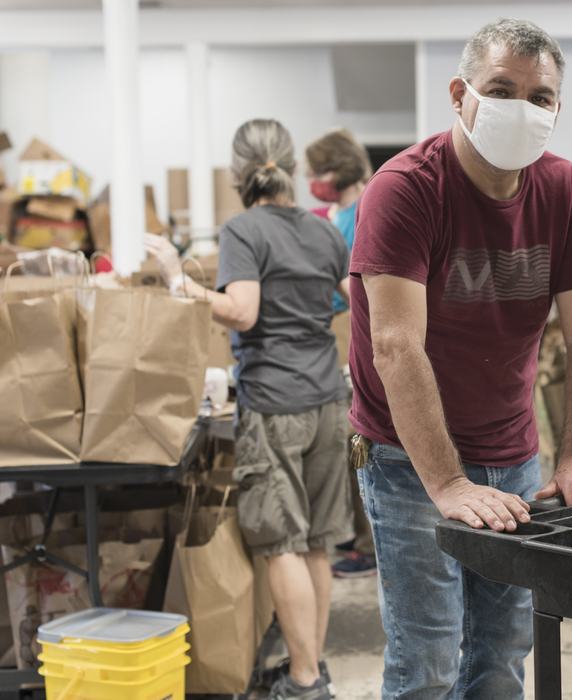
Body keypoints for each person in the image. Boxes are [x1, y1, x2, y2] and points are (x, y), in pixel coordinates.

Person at [349, 18, 572, 700]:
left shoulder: (565, 190)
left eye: (539, 97)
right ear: (459, 95)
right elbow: (395, 344)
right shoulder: (405, 189)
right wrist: (448, 483)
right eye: (501, 90)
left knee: (502, 656)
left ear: (557, 109)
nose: (521, 109)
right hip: (410, 464)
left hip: (513, 455)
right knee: (429, 662)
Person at [145, 118, 349, 700]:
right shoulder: (323, 229)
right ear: (291, 167)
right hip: (328, 398)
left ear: (239, 173)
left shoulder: (242, 230)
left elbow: (242, 311)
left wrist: (178, 280)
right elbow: (353, 298)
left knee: (281, 542)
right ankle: (313, 667)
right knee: (316, 542)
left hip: (275, 402)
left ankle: (304, 680)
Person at [304, 128, 378, 579]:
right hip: (326, 341)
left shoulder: (367, 209)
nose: (312, 181)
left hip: (354, 337)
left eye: (318, 172)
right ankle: (355, 532)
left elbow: (361, 289)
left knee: (362, 443)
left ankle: (370, 544)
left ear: (340, 169)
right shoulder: (327, 216)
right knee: (342, 444)